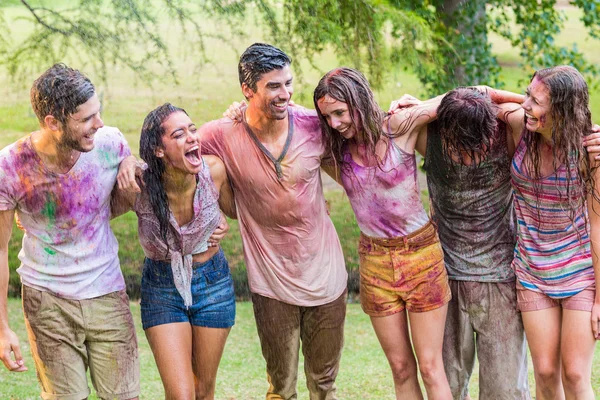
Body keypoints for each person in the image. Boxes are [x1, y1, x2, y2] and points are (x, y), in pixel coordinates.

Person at [199, 43, 348, 399]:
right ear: (247, 90)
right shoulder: (221, 134)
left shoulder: (314, 126)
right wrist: (213, 214)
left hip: (327, 277)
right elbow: (180, 155)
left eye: (288, 84)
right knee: (281, 388)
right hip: (271, 282)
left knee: (324, 385)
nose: (286, 94)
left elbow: (362, 138)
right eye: (274, 86)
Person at [0, 64, 140, 399]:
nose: (100, 124)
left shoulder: (110, 144)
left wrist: (130, 163)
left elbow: (123, 188)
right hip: (47, 302)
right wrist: (2, 328)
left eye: (99, 113)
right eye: (87, 118)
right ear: (53, 122)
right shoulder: (11, 167)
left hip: (107, 293)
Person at [312, 67, 452, 399]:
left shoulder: (398, 128)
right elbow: (283, 124)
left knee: (431, 368)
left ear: (358, 100)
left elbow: (467, 97)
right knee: (401, 368)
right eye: (327, 117)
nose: (334, 123)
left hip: (421, 257)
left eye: (339, 112)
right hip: (375, 264)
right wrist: (241, 111)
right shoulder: (337, 153)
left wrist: (419, 103)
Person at [111, 103, 236, 399]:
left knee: (203, 391)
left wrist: (220, 221)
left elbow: (236, 211)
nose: (192, 137)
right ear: (158, 150)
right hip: (162, 287)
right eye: (179, 134)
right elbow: (93, 213)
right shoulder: (138, 186)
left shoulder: (214, 171)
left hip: (213, 282)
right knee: (181, 395)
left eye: (193, 130)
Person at [496, 65, 599, 400]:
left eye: (536, 100)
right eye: (527, 94)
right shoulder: (519, 126)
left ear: (563, 110)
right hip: (531, 270)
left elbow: (598, 224)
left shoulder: (589, 151)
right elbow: (482, 94)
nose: (526, 104)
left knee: (574, 374)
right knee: (544, 372)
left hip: (579, 271)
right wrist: (420, 108)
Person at [421, 87, 530, 399]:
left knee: (504, 390)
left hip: (500, 280)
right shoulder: (429, 137)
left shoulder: (508, 135)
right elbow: (395, 119)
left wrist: (487, 96)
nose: (469, 154)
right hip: (444, 279)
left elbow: (539, 111)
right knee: (448, 386)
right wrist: (437, 105)